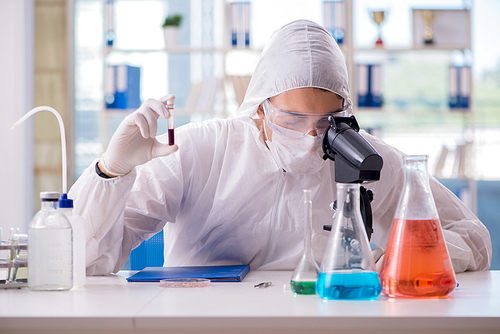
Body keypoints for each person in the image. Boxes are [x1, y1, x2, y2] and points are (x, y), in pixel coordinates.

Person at [69, 20, 491, 275]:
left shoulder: (367, 159)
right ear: (258, 110)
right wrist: (111, 171)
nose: (310, 138)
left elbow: (473, 237)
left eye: (326, 122)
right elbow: (87, 260)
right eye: (291, 120)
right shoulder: (199, 151)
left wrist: (406, 254)